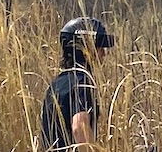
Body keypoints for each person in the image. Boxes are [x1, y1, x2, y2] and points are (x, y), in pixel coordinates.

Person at [41, 16, 115, 151]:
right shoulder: (82, 83)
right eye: (99, 48)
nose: (104, 54)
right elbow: (79, 127)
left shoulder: (55, 85)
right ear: (84, 49)